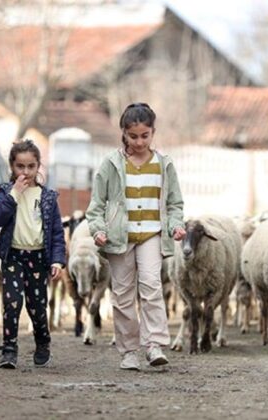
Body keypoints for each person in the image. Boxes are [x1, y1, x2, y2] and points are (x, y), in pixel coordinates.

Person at [86, 102, 186, 370]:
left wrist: (176, 224)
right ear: (123, 133)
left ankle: (154, 345)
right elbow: (96, 206)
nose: (139, 141)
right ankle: (129, 351)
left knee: (152, 286)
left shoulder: (164, 165)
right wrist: (98, 230)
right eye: (133, 136)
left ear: (153, 132)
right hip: (120, 238)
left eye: (145, 135)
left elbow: (175, 203)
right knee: (122, 294)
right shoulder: (110, 165)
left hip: (152, 235)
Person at [0, 139, 66, 369]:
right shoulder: (5, 192)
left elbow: (57, 233)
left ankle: (42, 341)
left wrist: (58, 261)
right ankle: (9, 349)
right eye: (20, 167)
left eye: (31, 166)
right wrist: (13, 194)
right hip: (13, 256)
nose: (26, 172)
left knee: (37, 306)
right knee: (11, 302)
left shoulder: (48, 197)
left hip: (38, 258)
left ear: (38, 166)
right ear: (12, 167)